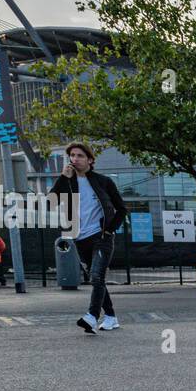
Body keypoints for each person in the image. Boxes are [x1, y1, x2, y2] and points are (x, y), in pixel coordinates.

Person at [48, 142, 128, 334]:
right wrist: (62, 178)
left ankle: (91, 317)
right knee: (96, 279)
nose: (75, 159)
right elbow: (50, 202)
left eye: (80, 156)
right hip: (79, 237)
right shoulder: (67, 182)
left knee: (96, 276)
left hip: (101, 237)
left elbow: (122, 209)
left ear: (90, 160)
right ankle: (111, 317)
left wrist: (109, 230)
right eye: (72, 156)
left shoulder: (103, 182)